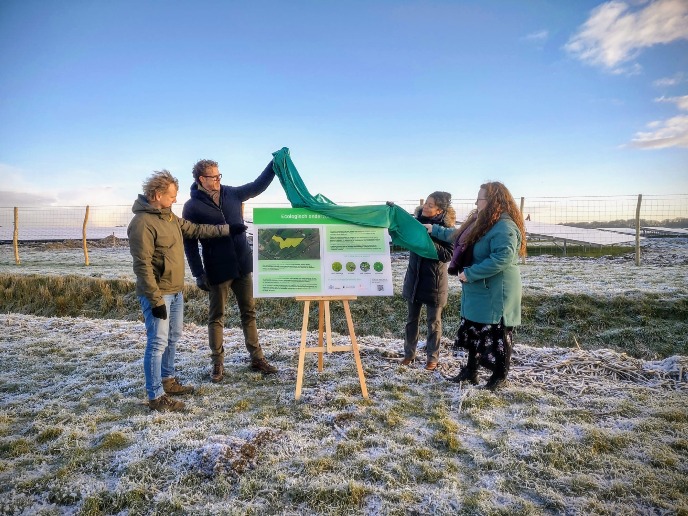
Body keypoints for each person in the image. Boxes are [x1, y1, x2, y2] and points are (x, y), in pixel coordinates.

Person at [128, 170, 231, 412]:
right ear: (156, 195)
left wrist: (227, 230)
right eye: (172, 195)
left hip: (175, 291)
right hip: (158, 294)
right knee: (157, 343)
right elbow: (142, 266)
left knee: (172, 338)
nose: (175, 199)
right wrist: (155, 301)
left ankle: (168, 380)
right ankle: (156, 396)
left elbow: (195, 230)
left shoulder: (169, 217)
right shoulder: (142, 224)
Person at [183, 158, 278, 383]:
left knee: (249, 313)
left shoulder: (232, 193)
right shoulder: (192, 206)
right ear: (201, 179)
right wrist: (198, 273)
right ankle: (217, 363)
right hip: (217, 268)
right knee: (217, 317)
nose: (217, 180)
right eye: (213, 177)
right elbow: (189, 242)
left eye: (219, 176)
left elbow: (257, 186)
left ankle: (257, 358)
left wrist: (274, 166)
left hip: (243, 265)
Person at [427, 182, 526, 390]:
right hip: (479, 289)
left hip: (496, 291)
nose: (476, 201)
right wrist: (432, 229)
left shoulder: (504, 226)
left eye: (480, 198)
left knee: (497, 334)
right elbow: (457, 237)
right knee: (475, 330)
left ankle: (499, 377)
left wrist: (470, 273)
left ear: (492, 201)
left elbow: (503, 257)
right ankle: (470, 371)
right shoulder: (481, 222)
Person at [400, 192, 455, 371]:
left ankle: (432, 357)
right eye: (427, 203)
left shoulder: (446, 229)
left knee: (434, 322)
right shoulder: (415, 223)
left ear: (440, 209)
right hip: (414, 279)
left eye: (431, 205)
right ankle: (409, 354)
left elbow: (448, 255)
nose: (426, 207)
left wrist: (428, 241)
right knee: (411, 320)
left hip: (434, 282)